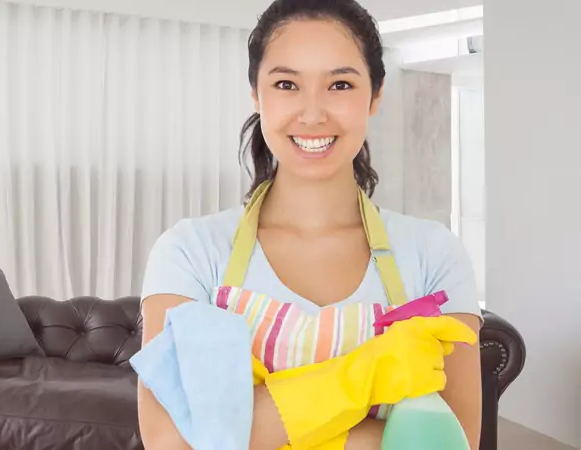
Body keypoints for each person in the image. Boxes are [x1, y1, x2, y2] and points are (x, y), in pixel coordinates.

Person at [137, 0, 483, 449]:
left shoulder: (434, 255)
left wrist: (246, 426)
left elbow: (451, 443)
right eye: (287, 84)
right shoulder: (190, 252)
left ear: (376, 95)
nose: (313, 113)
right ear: (256, 94)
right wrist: (361, 377)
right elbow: (172, 443)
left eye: (340, 84)